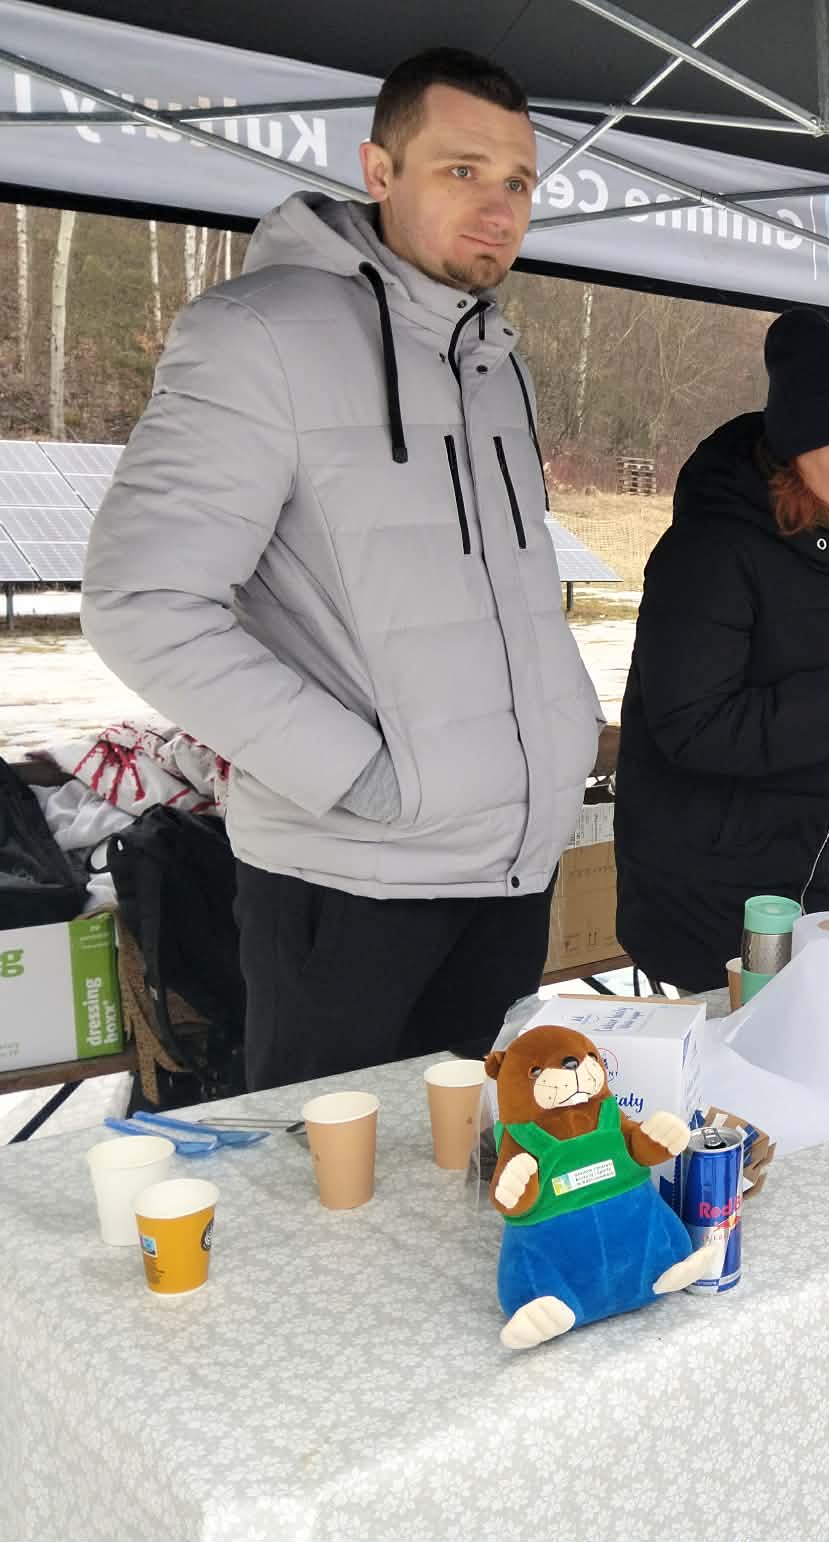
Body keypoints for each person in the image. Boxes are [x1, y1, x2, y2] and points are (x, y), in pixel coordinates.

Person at [82, 49, 601, 1091]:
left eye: (518, 182)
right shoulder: (258, 334)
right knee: (332, 1179)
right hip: (350, 880)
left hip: (508, 867)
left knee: (481, 1160)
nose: (497, 209)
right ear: (379, 170)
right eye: (462, 171)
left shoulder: (493, 359)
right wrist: (361, 776)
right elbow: (143, 604)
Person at [614, 309, 829, 991]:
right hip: (705, 887)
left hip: (813, 867)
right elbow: (690, 726)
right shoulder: (711, 549)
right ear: (797, 447)